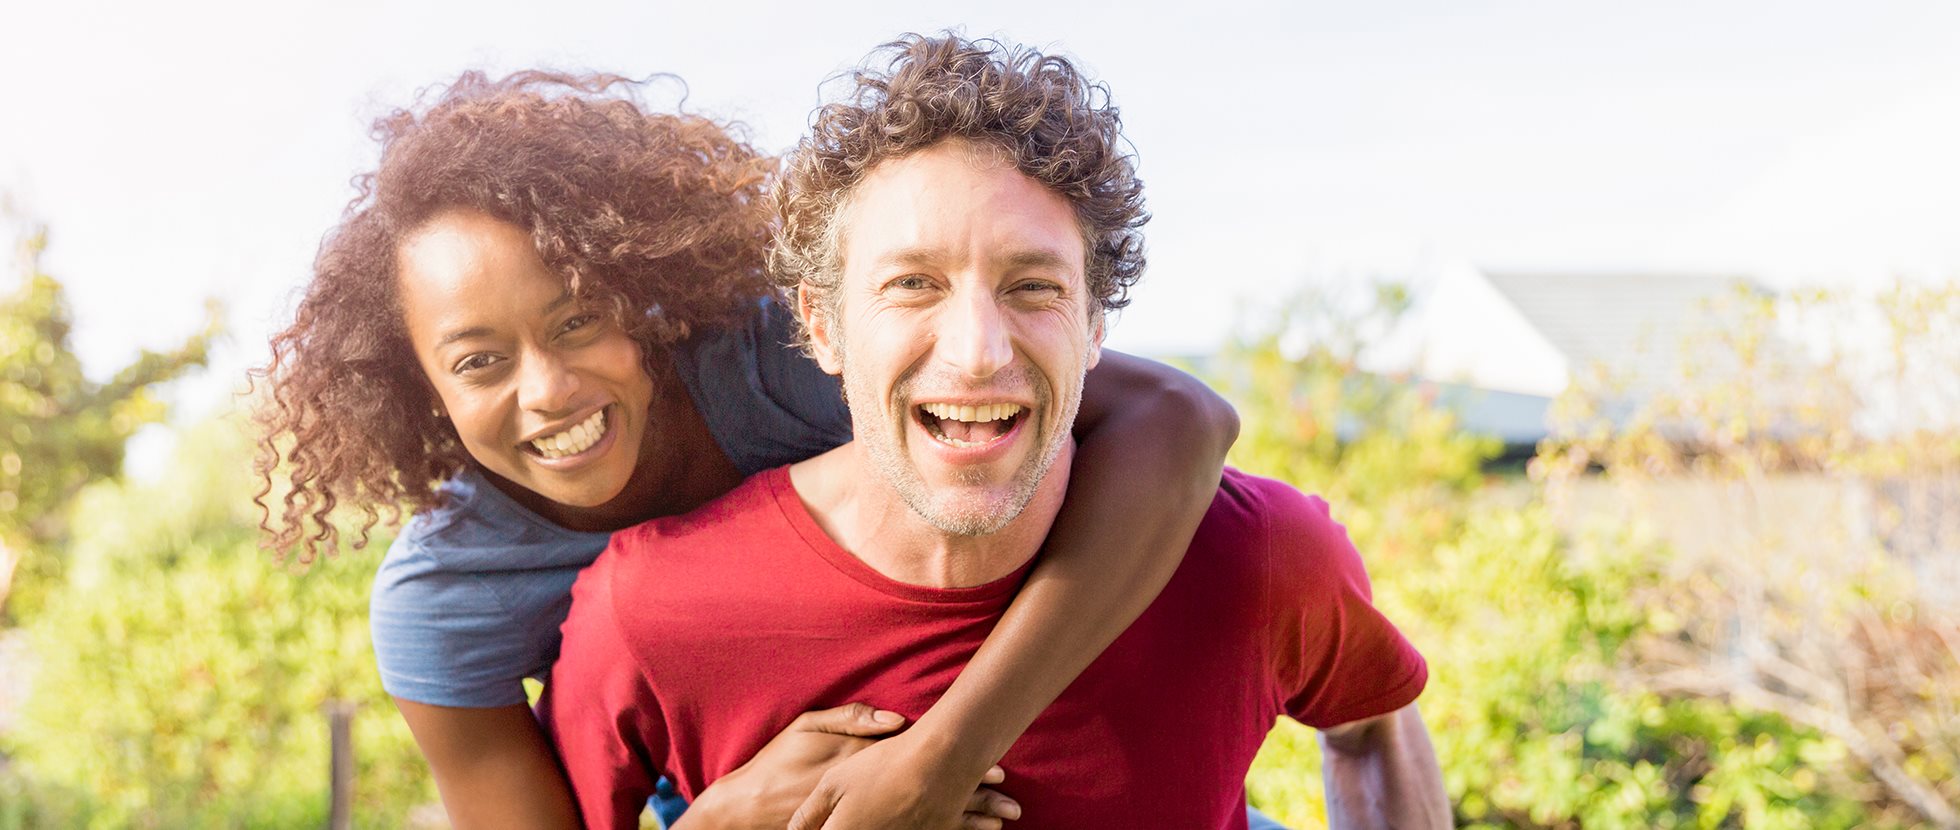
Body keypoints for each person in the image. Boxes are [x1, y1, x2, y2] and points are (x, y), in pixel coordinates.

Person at [253, 70, 1243, 828]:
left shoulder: (775, 359)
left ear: (639, 295)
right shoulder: (443, 599)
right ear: (415, 384)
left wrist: (934, 763)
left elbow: (1181, 418)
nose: (548, 390)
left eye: (575, 322)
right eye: (477, 361)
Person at [541, 34, 1451, 830]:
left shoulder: (1256, 557)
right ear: (821, 326)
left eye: (1033, 286)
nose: (977, 352)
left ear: (1095, 325)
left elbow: (1373, 731)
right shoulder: (651, 609)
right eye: (913, 283)